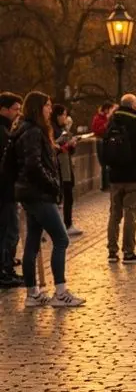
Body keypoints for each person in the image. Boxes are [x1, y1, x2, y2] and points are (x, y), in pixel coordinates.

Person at [7, 91, 85, 308]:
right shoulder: (33, 131)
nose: (51, 109)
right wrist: (51, 182)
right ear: (38, 108)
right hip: (38, 194)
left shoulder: (24, 129)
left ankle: (33, 293)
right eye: (48, 106)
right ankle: (60, 292)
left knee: (32, 242)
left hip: (29, 193)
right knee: (61, 239)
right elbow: (33, 164)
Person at [104, 94, 136, 264]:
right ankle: (128, 251)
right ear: (133, 105)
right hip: (133, 175)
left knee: (114, 214)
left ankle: (112, 251)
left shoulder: (112, 122)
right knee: (130, 214)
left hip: (115, 176)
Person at [0, 91, 23, 287]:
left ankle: (7, 268)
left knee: (9, 230)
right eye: (15, 109)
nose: (18, 113)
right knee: (7, 231)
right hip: (5, 191)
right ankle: (4, 270)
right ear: (4, 110)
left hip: (8, 190)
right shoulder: (3, 131)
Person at [52, 104, 82, 237]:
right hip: (60, 166)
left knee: (68, 194)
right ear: (58, 115)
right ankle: (66, 224)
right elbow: (54, 148)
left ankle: (67, 223)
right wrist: (66, 144)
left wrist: (72, 144)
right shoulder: (53, 129)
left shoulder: (61, 129)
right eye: (64, 114)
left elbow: (69, 149)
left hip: (66, 164)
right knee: (64, 195)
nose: (65, 117)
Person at [91, 100, 116, 191]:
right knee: (104, 164)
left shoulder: (107, 117)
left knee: (108, 164)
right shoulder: (98, 118)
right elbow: (96, 130)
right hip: (101, 141)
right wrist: (106, 125)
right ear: (106, 110)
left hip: (107, 141)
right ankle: (106, 185)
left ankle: (109, 184)